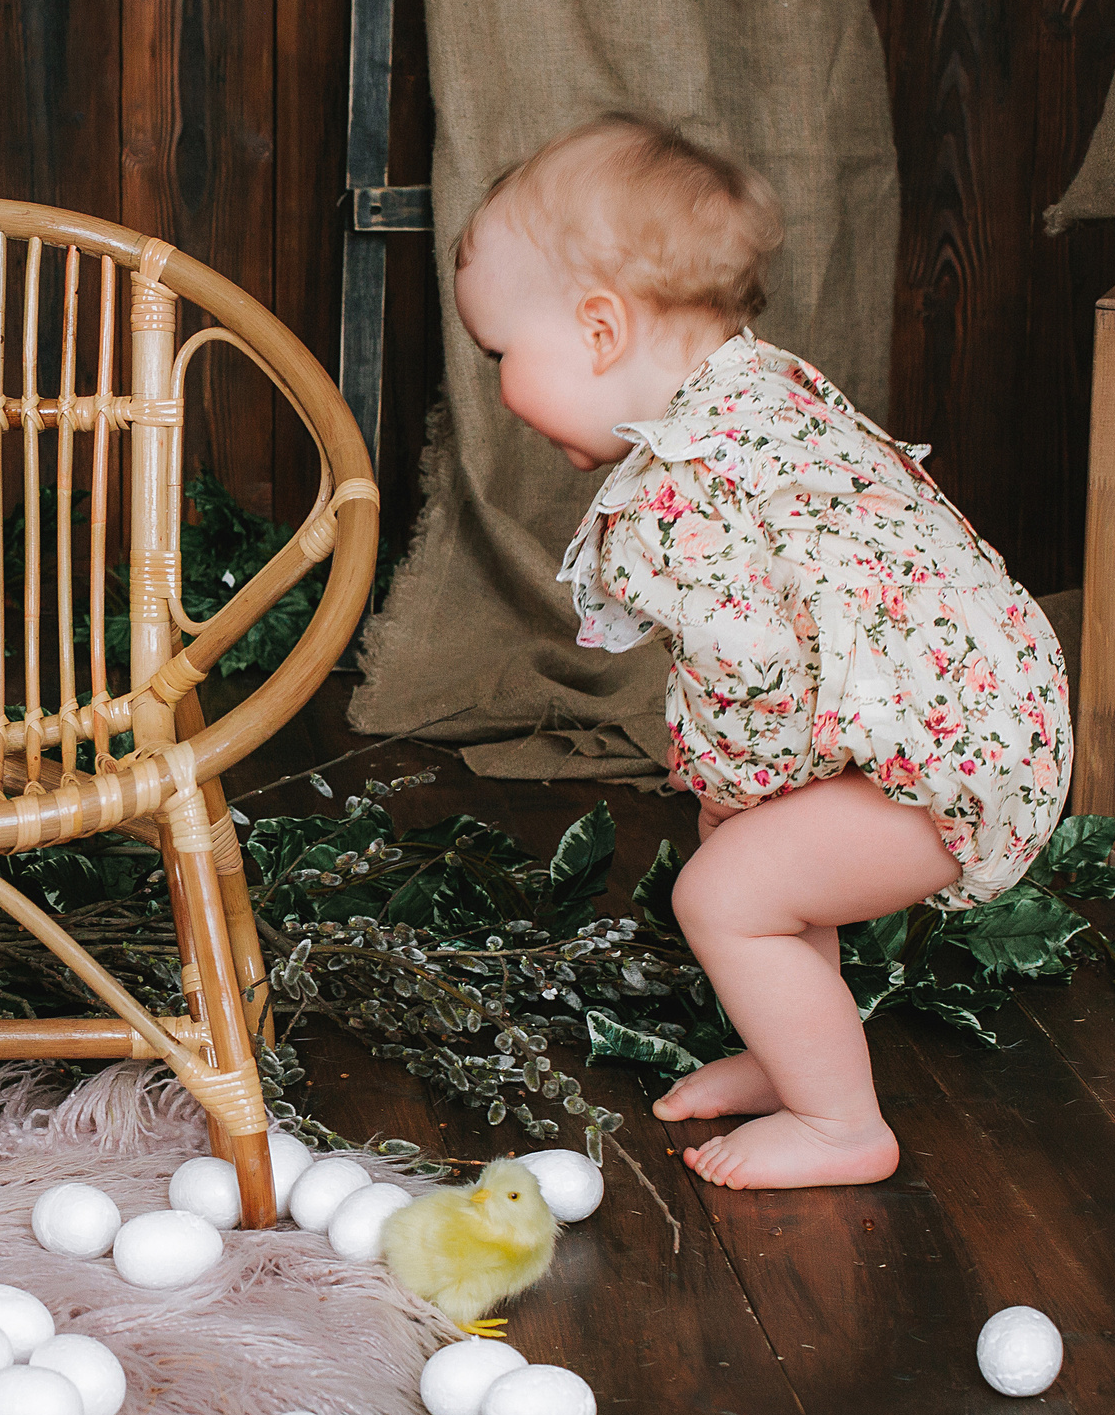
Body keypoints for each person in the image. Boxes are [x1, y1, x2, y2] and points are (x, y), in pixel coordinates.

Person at [450, 113, 1072, 1190]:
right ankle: (791, 1051)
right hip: (988, 706)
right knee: (754, 855)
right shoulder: (756, 391)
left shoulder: (682, 490)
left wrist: (734, 785)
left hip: (944, 757)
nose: (497, 386)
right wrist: (743, 798)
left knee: (724, 893)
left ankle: (841, 1126)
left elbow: (751, 671)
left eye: (501, 354)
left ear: (599, 330)